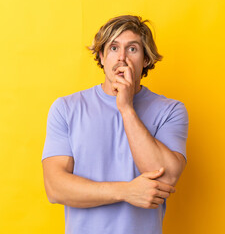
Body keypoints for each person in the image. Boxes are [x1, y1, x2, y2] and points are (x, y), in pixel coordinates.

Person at [42, 15, 189, 234]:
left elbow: (166, 177)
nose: (122, 58)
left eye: (132, 49)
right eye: (113, 48)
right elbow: (55, 188)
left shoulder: (170, 110)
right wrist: (125, 191)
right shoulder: (66, 108)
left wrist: (127, 108)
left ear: (146, 59)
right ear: (101, 56)